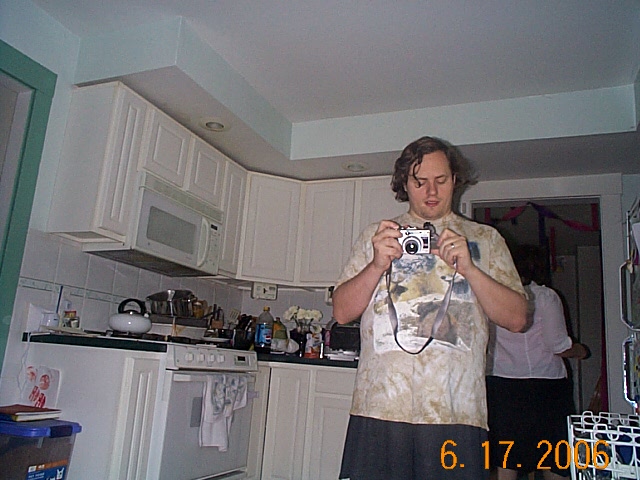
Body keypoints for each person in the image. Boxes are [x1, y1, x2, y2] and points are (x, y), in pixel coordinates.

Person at [332, 135, 528, 480]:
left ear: (455, 180)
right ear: (404, 184)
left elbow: (516, 319)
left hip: (457, 412)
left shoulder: (486, 239)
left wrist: (470, 269)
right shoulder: (377, 236)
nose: (431, 191)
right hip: (379, 407)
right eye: (419, 182)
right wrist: (377, 264)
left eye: (441, 180)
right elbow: (342, 312)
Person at [486, 244, 589, 480]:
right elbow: (557, 344)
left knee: (506, 461)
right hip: (545, 388)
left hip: (503, 387)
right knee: (554, 459)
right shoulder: (545, 297)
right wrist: (580, 350)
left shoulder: (492, 297)